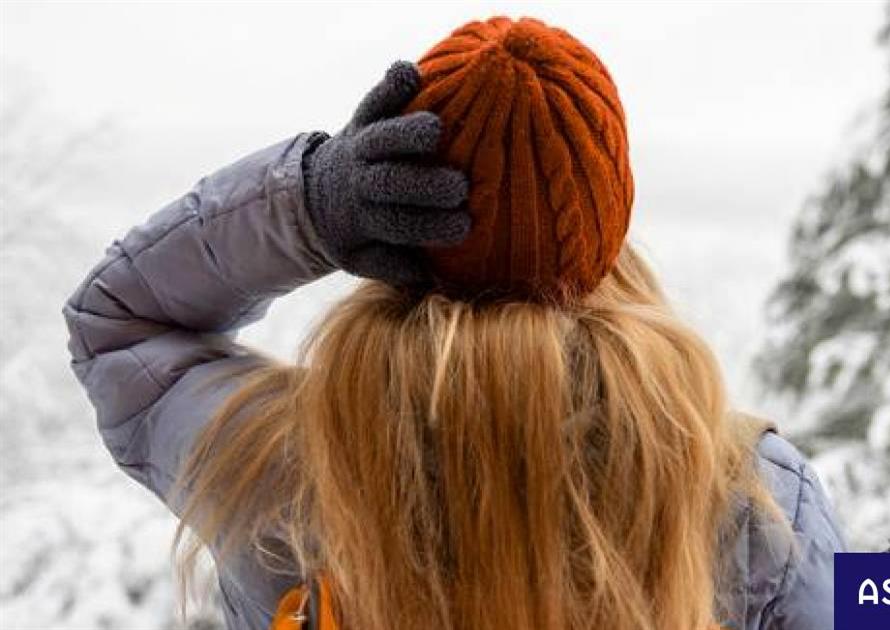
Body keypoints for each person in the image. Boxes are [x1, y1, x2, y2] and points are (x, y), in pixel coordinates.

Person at [63, 16, 844, 630]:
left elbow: (121, 324)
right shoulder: (746, 492)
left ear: (394, 213)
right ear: (607, 218)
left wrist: (309, 205)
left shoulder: (280, 465)